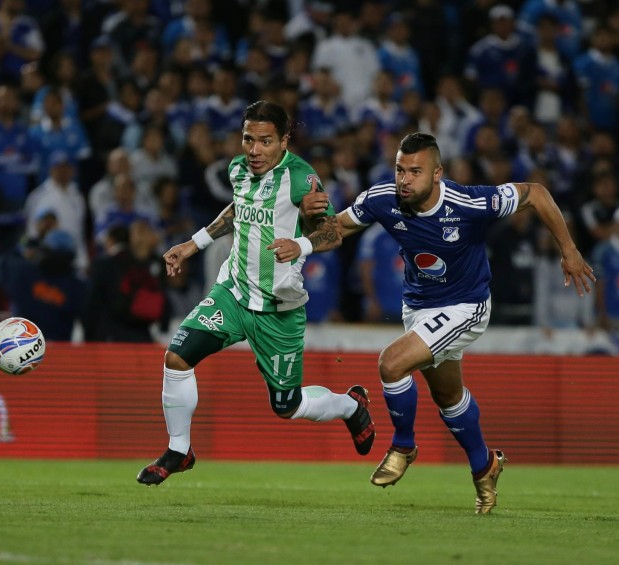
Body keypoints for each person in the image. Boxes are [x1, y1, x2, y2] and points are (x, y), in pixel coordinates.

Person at [301, 132, 595, 514]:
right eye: (400, 170)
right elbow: (334, 231)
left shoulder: (470, 202)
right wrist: (310, 224)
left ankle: (404, 445)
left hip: (465, 306)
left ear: (437, 173)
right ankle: (484, 465)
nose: (405, 179)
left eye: (415, 171)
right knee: (448, 396)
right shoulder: (382, 199)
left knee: (391, 363)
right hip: (419, 307)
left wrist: (569, 250)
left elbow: (536, 192)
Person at [136, 100, 375, 486]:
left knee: (288, 405)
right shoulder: (237, 169)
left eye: (265, 141)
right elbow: (236, 210)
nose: (254, 150)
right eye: (248, 139)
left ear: (284, 141)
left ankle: (351, 405)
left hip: (278, 307)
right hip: (233, 292)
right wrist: (192, 245)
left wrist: (302, 245)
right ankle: (179, 450)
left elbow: (332, 232)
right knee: (177, 357)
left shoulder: (301, 178)